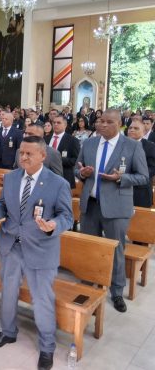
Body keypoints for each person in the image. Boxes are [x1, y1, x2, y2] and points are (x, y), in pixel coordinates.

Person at [0, 136, 73, 370]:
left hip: (41, 249)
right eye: (21, 152)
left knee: (42, 299)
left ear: (43, 156)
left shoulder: (58, 183)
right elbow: (3, 205)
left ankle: (47, 347)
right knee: (8, 292)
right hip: (12, 245)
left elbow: (67, 216)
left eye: (29, 153)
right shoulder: (12, 178)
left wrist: (53, 225)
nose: (23, 157)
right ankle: (8, 332)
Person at [75, 109, 149, 313]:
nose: (103, 125)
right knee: (89, 248)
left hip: (116, 206)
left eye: (108, 122)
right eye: (101, 121)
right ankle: (88, 284)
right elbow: (77, 169)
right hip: (90, 205)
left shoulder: (132, 146)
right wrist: (82, 173)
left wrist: (121, 178)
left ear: (119, 124)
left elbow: (143, 177)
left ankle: (116, 291)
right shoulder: (89, 143)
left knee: (116, 250)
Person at [45, 115, 80, 188]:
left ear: (65, 125)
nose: (55, 124)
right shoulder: (45, 139)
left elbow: (75, 160)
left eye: (58, 123)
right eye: (54, 122)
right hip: (46, 177)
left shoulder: (72, 140)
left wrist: (57, 160)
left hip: (64, 177)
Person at [127, 119, 155, 207]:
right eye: (130, 128)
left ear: (144, 132)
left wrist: (133, 176)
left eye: (136, 128)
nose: (132, 130)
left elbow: (153, 168)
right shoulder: (121, 145)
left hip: (140, 191)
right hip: (121, 189)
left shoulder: (150, 146)